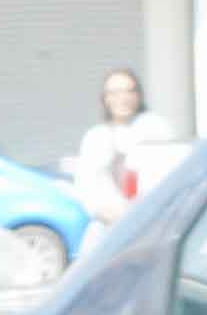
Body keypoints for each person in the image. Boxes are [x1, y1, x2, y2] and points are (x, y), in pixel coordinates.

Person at [69, 62, 182, 225]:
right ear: (105, 99)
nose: (122, 98)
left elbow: (170, 177)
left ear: (138, 95)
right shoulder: (95, 138)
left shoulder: (157, 129)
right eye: (114, 93)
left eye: (128, 91)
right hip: (111, 227)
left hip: (154, 221)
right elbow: (86, 187)